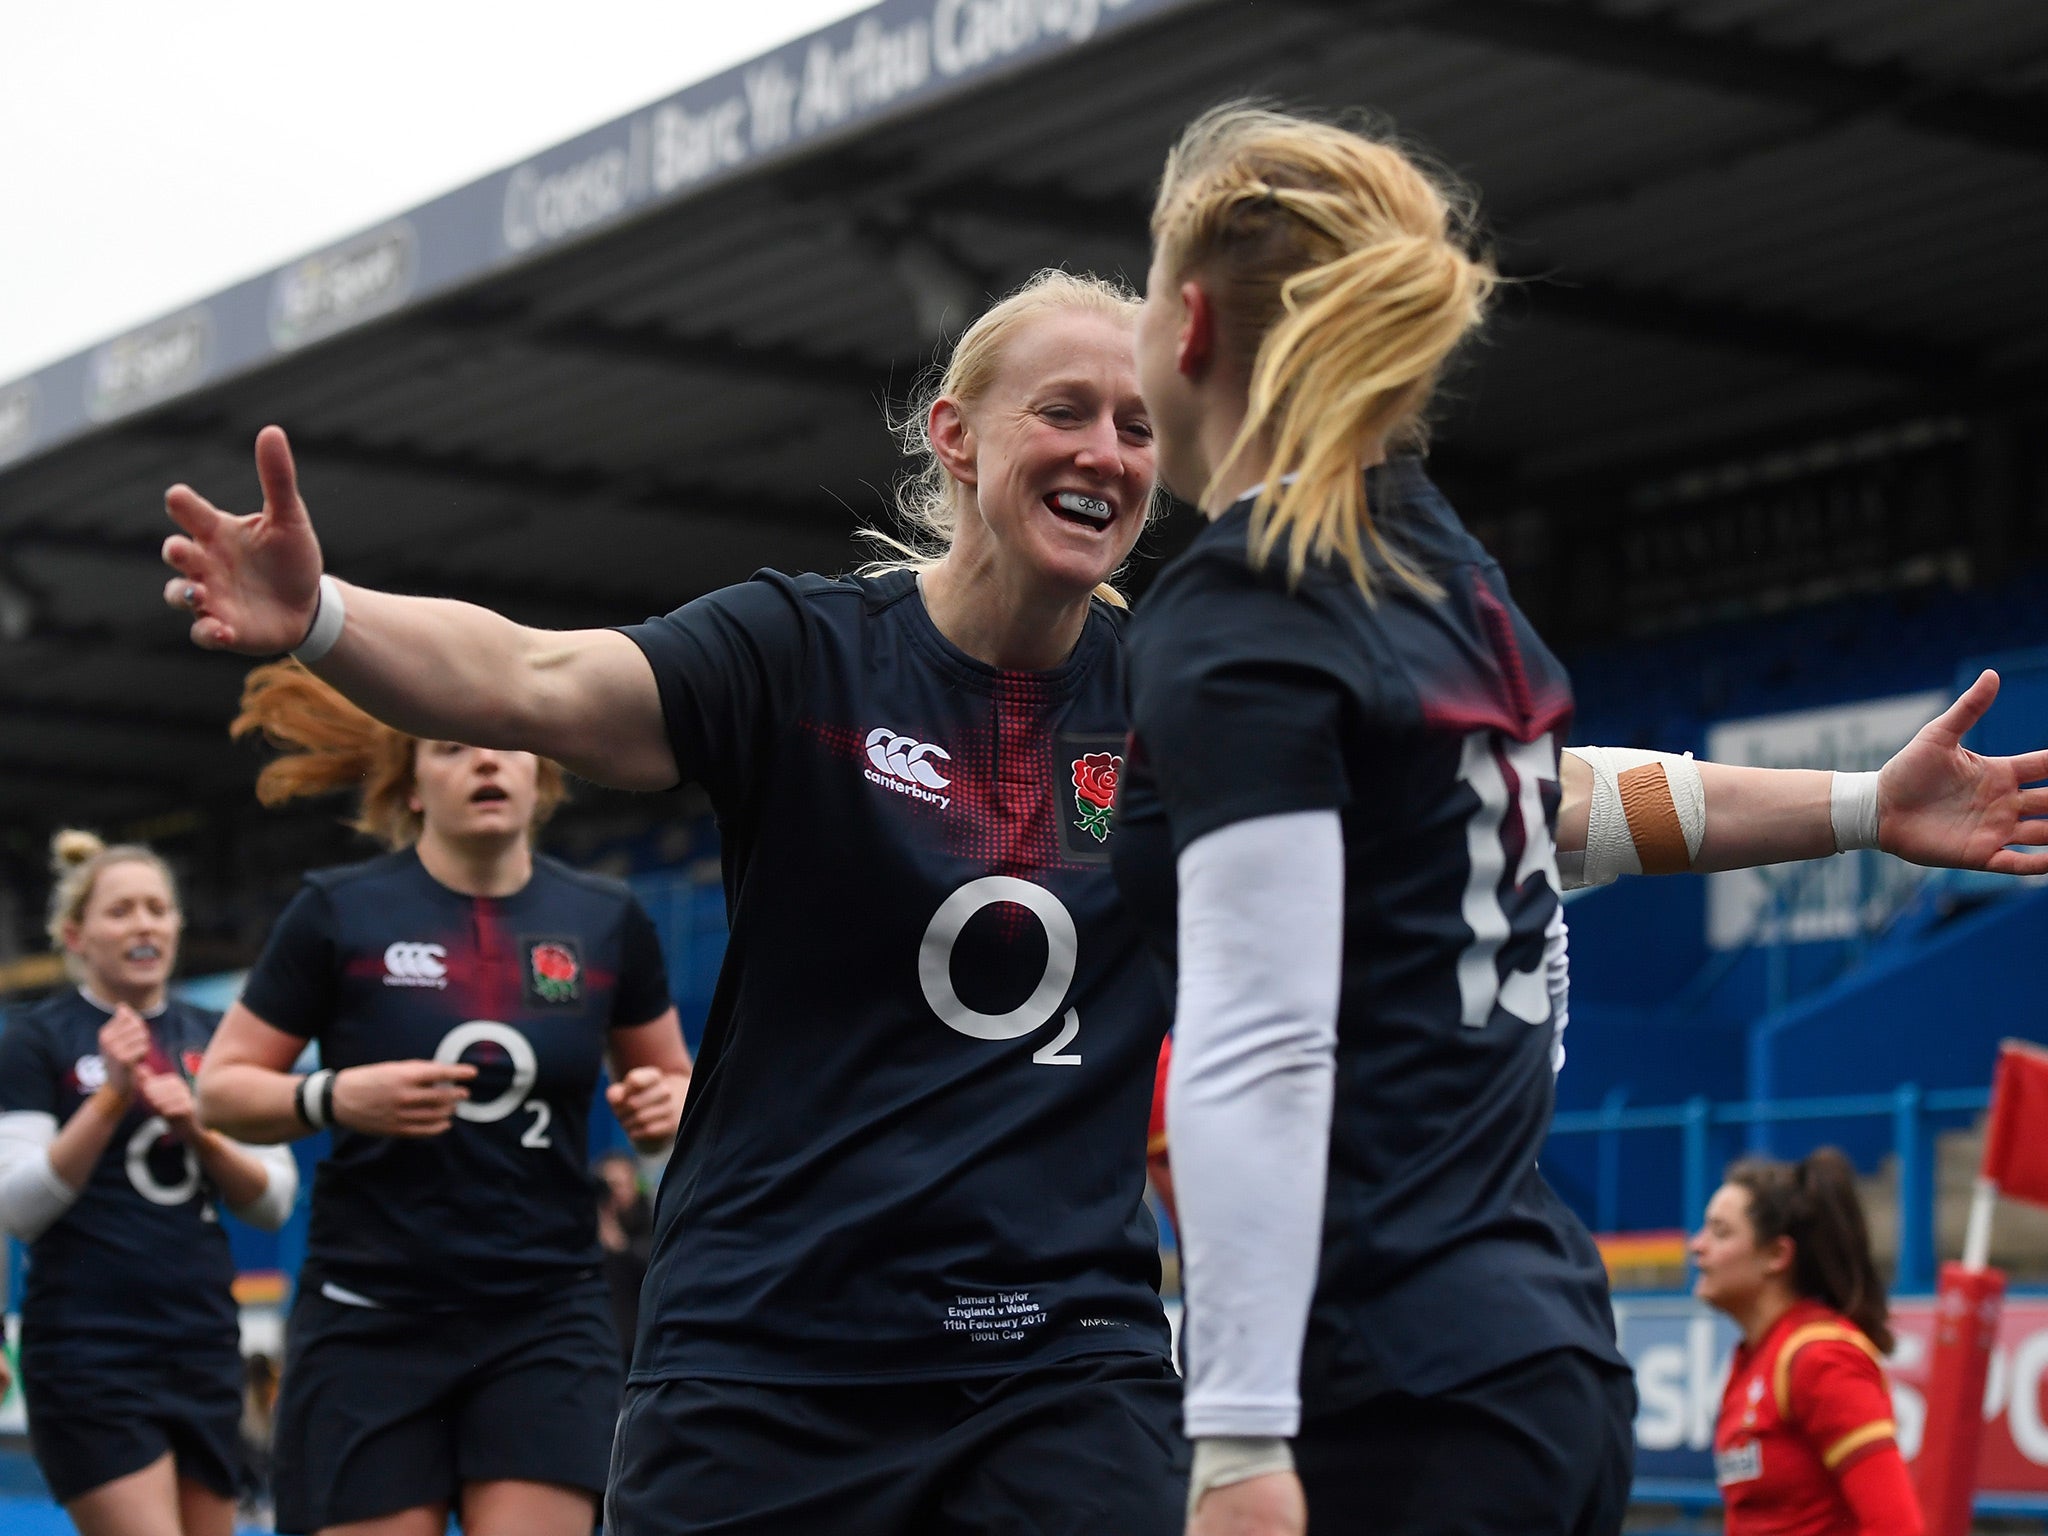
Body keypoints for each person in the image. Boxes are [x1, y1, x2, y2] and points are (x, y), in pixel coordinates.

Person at [158, 249, 2048, 1533]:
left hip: (1054, 1363)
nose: (1107, 452)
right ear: (955, 442)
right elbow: (530, 678)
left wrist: (1861, 807)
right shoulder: (795, 655)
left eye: (1138, 422)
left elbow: (1537, 794)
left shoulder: (1195, 678)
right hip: (765, 1354)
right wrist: (317, 613)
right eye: (1064, 413)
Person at [1113, 100, 2048, 1536]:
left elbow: (1263, 1037)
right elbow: (1572, 810)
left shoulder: (1250, 605)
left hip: (1384, 1385)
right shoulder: (1451, 575)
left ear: (1186, 327)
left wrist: (1239, 1439)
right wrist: (1862, 803)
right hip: (1538, 1360)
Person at [193, 663, 691, 1536]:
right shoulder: (337, 913)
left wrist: (668, 1108)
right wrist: (335, 1096)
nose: (485, 763)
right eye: (453, 747)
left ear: (542, 775)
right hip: (370, 1318)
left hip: (547, 1316)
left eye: (507, 746)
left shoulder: (607, 920)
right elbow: (222, 1091)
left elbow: (680, 1088)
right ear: (412, 785)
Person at [0, 831, 297, 1536]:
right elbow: (18, 1206)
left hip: (201, 1339)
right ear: (76, 934)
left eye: (157, 909)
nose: (144, 925)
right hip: (87, 1347)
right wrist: (111, 1099)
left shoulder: (222, 1036)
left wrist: (198, 1127)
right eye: (122, 911)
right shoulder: (36, 1038)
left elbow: (273, 1201)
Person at [1693, 1152, 1923, 1536]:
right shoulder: (1751, 1359)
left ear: (1777, 1255)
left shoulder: (1822, 1359)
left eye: (1720, 1232)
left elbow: (1897, 1527)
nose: (1696, 1246)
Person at [594, 1150, 654, 1369]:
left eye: (620, 1185)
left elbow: (656, 1270)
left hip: (639, 1347)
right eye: (608, 1186)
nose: (615, 1194)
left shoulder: (652, 1219)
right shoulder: (585, 1224)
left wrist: (620, 1245)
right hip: (599, 1344)